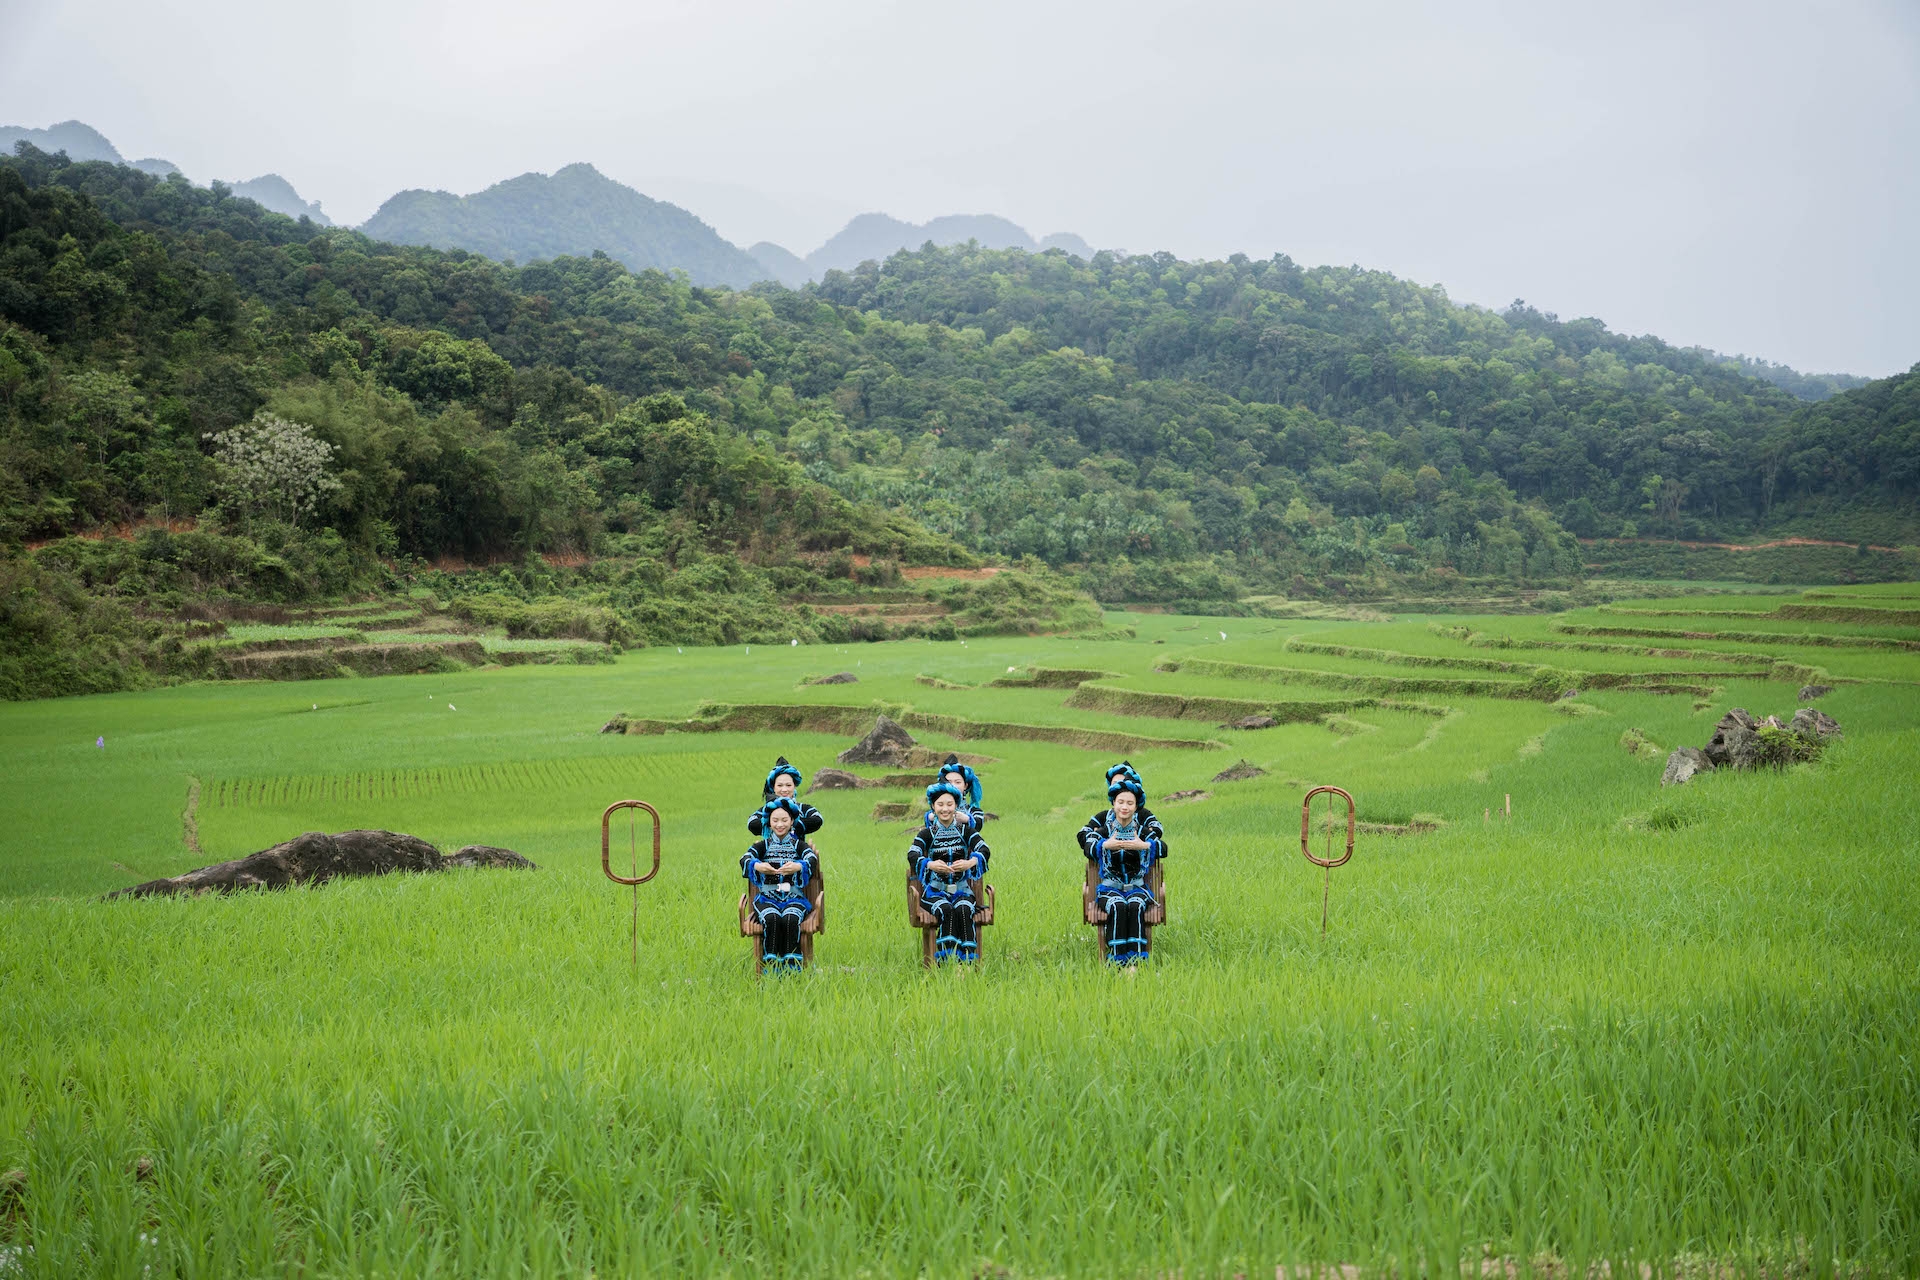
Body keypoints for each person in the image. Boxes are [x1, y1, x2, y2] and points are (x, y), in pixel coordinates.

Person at [1079, 770, 1166, 965]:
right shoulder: (1103, 831)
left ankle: (1135, 961)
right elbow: (1087, 846)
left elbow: (1163, 847)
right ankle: (1118, 960)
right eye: (1120, 802)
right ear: (1113, 804)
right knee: (1117, 906)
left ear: (1136, 807)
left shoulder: (1142, 832)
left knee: (1135, 905)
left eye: (1129, 803)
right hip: (1109, 889)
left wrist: (1143, 846)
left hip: (1137, 888)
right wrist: (1105, 845)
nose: (1124, 807)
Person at [908, 781, 991, 964]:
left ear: (956, 806)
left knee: (964, 908)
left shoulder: (965, 831)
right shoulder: (927, 834)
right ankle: (944, 960)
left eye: (949, 804)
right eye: (940, 805)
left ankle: (967, 962)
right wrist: (930, 865)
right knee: (945, 909)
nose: (945, 809)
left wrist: (970, 862)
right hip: (935, 892)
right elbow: (912, 853)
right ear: (932, 807)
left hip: (962, 890)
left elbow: (984, 849)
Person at [741, 797, 819, 971]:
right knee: (772, 918)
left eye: (784, 820)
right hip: (767, 897)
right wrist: (759, 866)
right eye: (775, 820)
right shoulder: (763, 845)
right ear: (769, 822)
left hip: (794, 897)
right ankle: (771, 965)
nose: (780, 824)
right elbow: (745, 859)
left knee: (791, 919)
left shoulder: (799, 845)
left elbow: (811, 858)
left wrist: (799, 865)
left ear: (792, 822)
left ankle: (792, 967)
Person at [747, 757, 824, 838]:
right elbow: (751, 823)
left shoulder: (801, 808)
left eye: (788, 785)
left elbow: (818, 819)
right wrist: (772, 824)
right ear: (774, 788)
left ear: (794, 786)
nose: (784, 790)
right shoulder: (766, 810)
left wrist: (793, 824)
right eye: (780, 785)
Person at [922, 754, 985, 834]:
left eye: (958, 782)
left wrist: (966, 819)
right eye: (949, 782)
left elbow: (978, 823)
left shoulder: (973, 811)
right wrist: (931, 816)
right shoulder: (936, 809)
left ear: (965, 785)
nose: (953, 785)